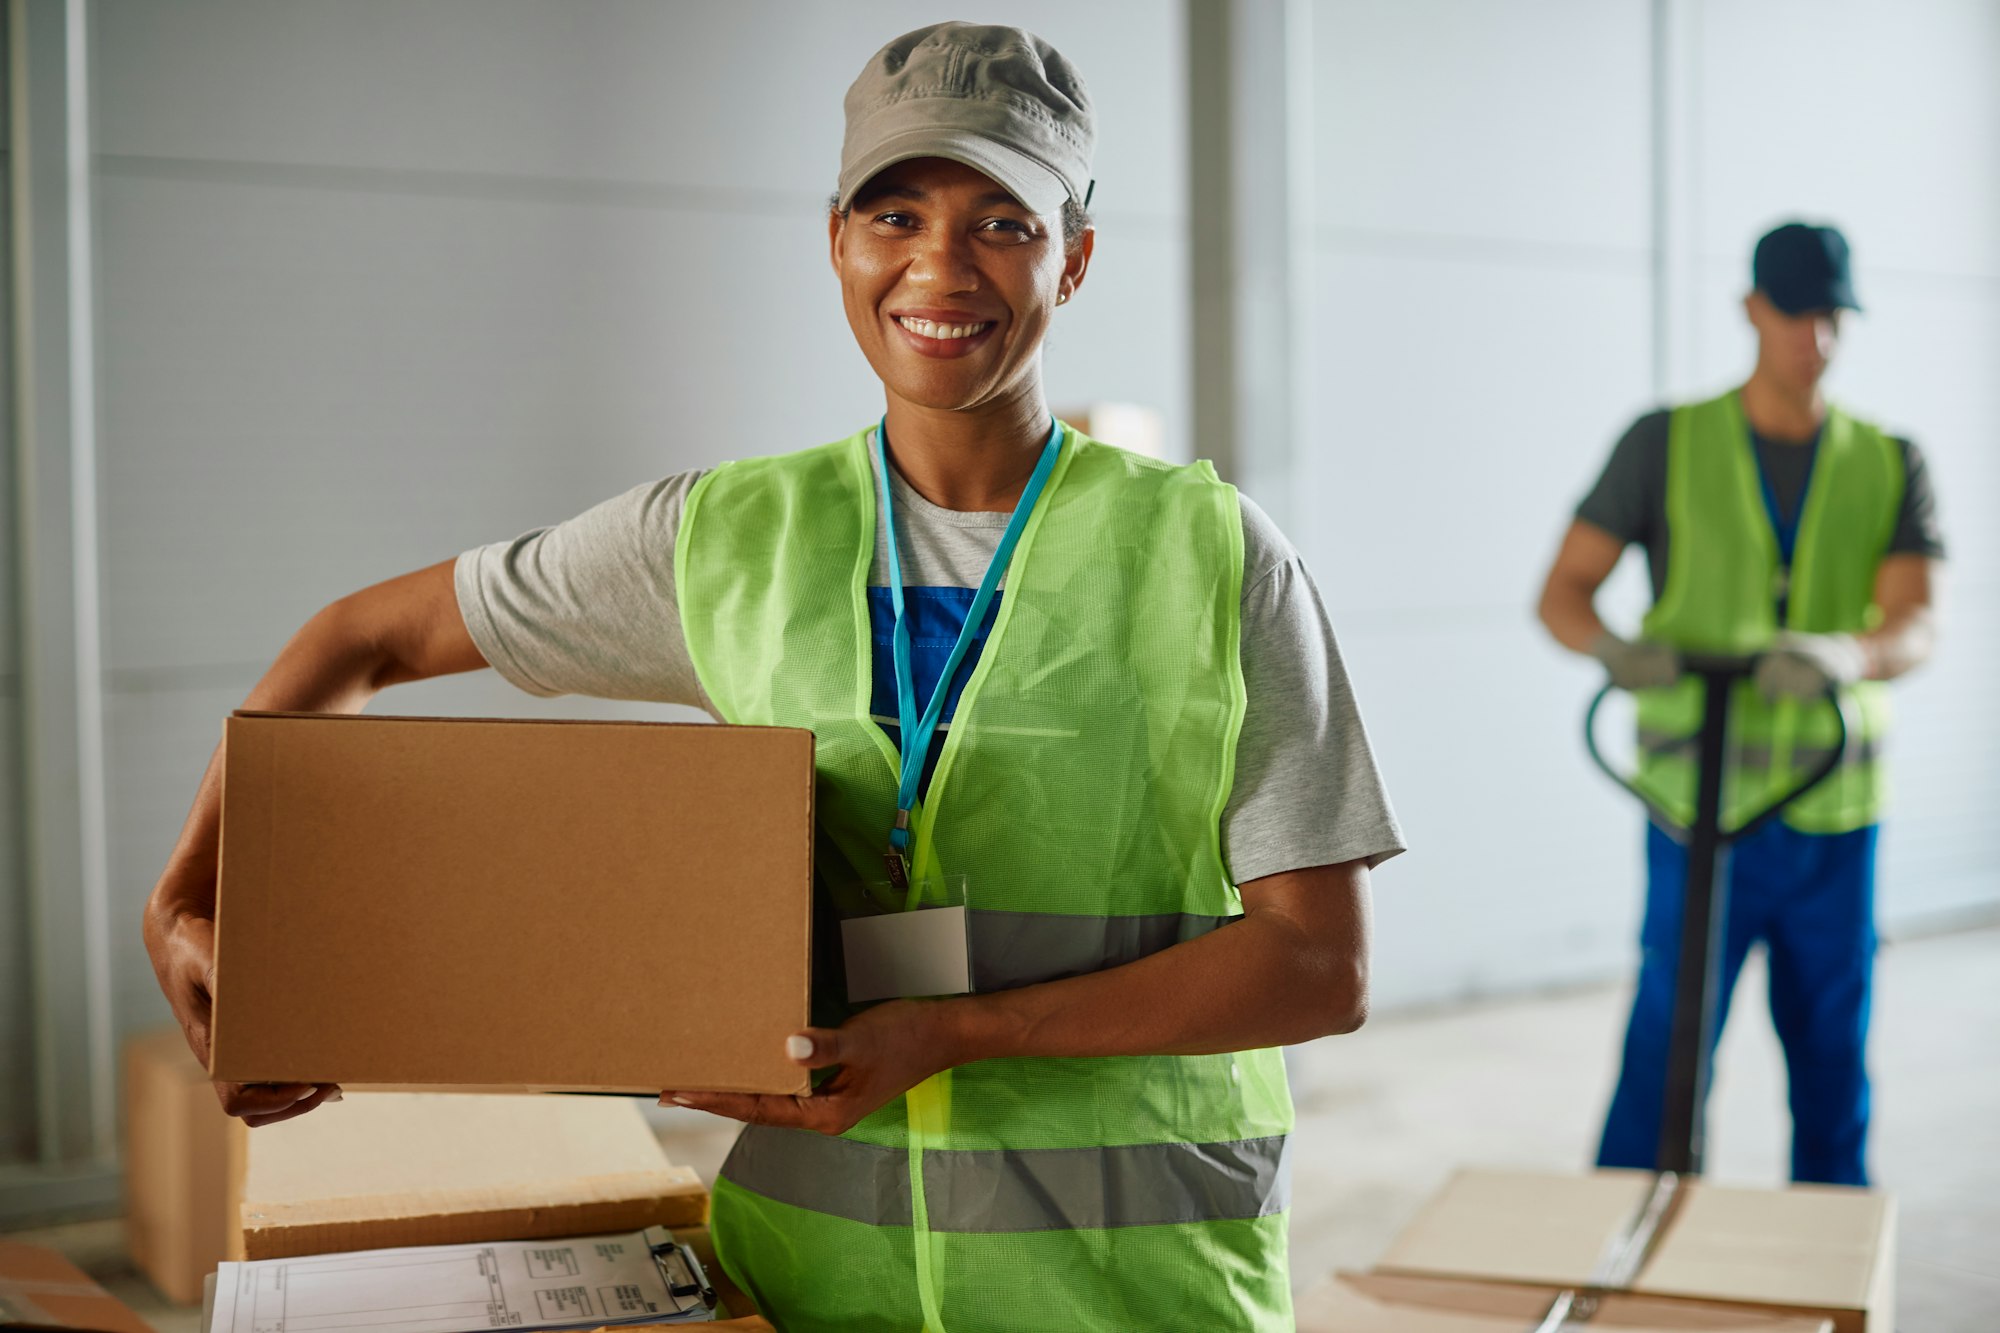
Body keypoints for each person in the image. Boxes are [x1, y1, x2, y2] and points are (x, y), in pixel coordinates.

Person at [142, 23, 1404, 1329]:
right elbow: (363, 637)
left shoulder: (1211, 552)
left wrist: (957, 1032)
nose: (938, 264)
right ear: (836, 238)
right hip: (813, 1283)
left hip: (1134, 1294)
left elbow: (1318, 967)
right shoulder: (719, 540)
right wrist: (189, 904)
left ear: (1073, 257)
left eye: (1003, 224)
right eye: (895, 211)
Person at [1536, 221, 1944, 1186]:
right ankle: (1628, 1249)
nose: (1820, 339)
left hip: (1832, 817)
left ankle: (1832, 1275)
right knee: (1666, 1054)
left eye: (1835, 316)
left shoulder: (1890, 459)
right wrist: (1613, 649)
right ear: (1752, 310)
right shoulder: (1665, 443)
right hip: (1693, 814)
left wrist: (1853, 650)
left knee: (1832, 1060)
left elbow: (1917, 622)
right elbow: (1562, 593)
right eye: (1800, 314)